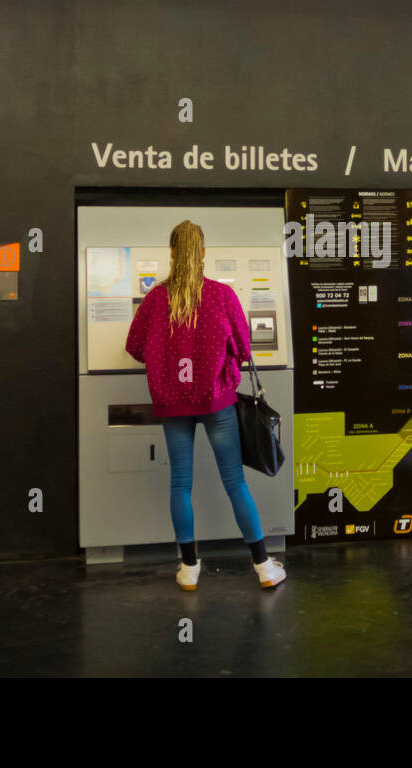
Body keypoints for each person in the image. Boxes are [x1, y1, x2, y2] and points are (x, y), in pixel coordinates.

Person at [124, 220, 287, 591]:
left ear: (171, 253)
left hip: (171, 403)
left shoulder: (155, 299)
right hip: (217, 402)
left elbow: (135, 347)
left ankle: (188, 568)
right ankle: (264, 566)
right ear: (202, 254)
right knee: (235, 483)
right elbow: (245, 349)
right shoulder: (221, 295)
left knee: (180, 484)